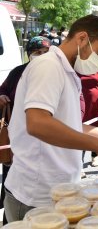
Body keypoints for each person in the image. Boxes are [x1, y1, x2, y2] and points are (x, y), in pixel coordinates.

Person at [4, 15, 98, 222]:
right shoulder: (48, 66)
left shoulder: (67, 71)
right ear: (81, 38)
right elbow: (38, 123)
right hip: (35, 195)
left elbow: (64, 124)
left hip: (59, 192)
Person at [0, 36, 52, 225]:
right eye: (37, 53)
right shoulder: (17, 73)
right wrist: (3, 96)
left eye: (45, 53)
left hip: (46, 140)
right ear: (29, 55)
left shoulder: (55, 74)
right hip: (18, 138)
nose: (41, 57)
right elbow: (2, 90)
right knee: (14, 185)